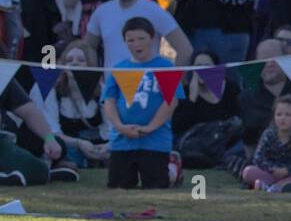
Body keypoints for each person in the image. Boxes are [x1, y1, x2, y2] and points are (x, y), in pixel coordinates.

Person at [100, 16, 183, 190]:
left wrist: (151, 127)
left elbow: (171, 102)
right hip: (122, 141)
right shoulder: (119, 67)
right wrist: (120, 126)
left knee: (156, 186)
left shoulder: (166, 67)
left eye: (141, 39)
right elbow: (109, 101)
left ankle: (173, 170)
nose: (136, 44)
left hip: (155, 141)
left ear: (152, 38)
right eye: (130, 40)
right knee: (118, 186)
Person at [85, 0, 192, 70]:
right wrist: (95, 77)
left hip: (146, 85)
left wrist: (175, 83)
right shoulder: (102, 12)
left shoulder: (154, 11)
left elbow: (185, 49)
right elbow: (88, 46)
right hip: (112, 85)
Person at [39, 40, 109, 177]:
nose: (74, 63)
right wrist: (79, 143)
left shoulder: (102, 90)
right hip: (67, 144)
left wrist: (107, 147)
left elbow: (111, 127)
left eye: (81, 60)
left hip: (98, 143)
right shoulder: (52, 91)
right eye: (69, 60)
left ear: (90, 65)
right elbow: (52, 131)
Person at [171, 48, 242, 168]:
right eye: (198, 66)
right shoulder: (186, 92)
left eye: (207, 66)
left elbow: (238, 120)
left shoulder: (231, 89)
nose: (203, 70)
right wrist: (192, 98)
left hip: (224, 142)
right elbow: (178, 127)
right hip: (196, 143)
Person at [242, 93, 291, 191]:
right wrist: (272, 169)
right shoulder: (269, 134)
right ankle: (277, 185)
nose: (282, 118)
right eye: (279, 114)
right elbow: (258, 158)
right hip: (272, 173)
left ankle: (278, 186)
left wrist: (288, 170)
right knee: (248, 171)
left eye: (288, 115)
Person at [0, 72, 63, 186]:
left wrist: (49, 138)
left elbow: (29, 111)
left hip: (4, 137)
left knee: (58, 145)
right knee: (36, 170)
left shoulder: (3, 72)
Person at [236, 38, 289, 159]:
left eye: (275, 57)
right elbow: (247, 139)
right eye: (264, 58)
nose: (269, 63)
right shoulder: (246, 98)